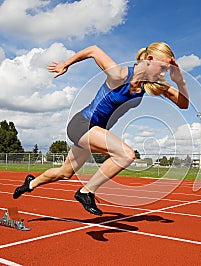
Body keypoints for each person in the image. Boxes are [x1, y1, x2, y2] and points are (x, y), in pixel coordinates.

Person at [13, 42, 189, 216]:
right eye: (163, 68)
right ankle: (86, 192)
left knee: (64, 173)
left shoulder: (152, 85)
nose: (164, 73)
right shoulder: (119, 74)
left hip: (93, 133)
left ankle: (30, 183)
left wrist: (179, 80)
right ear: (149, 60)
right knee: (126, 155)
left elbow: (183, 104)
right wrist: (65, 64)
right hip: (82, 124)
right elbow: (93, 50)